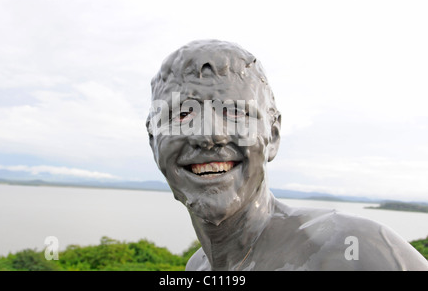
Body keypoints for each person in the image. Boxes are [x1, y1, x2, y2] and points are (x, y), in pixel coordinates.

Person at [146, 39, 428, 271]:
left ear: (273, 136)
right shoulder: (196, 267)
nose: (208, 135)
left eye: (234, 112)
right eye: (182, 115)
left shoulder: (358, 250)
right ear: (153, 140)